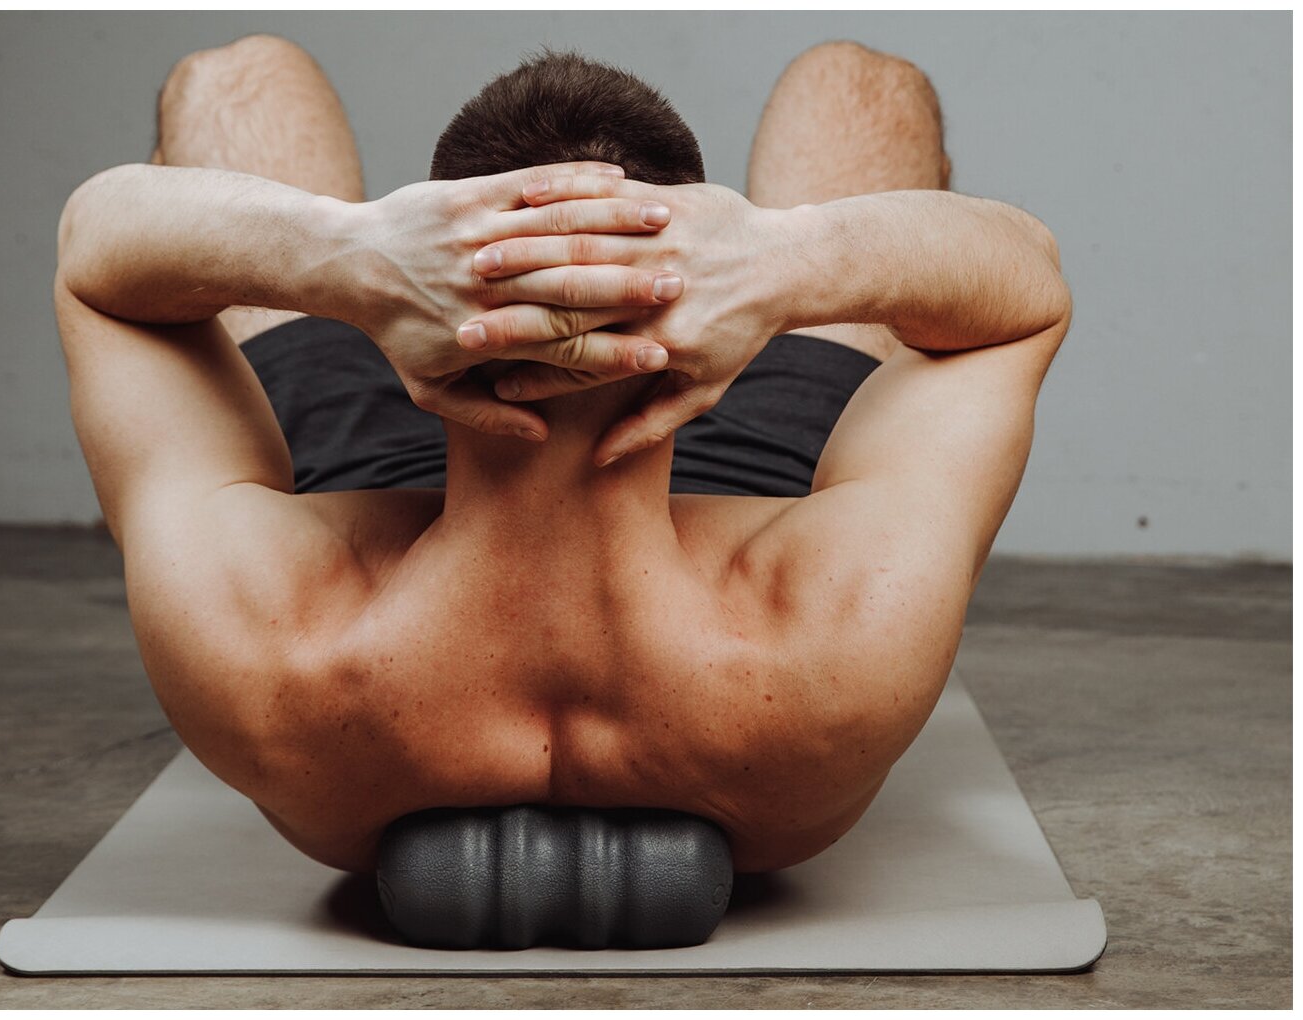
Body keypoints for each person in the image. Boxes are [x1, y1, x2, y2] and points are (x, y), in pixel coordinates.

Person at [54, 36, 1070, 873]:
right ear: (695, 284)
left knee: (240, 76)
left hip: (379, 575)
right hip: (730, 577)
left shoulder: (274, 633)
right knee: (855, 82)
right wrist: (781, 260)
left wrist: (351, 253)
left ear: (428, 275)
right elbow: (1025, 288)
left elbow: (96, 258)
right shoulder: (833, 630)